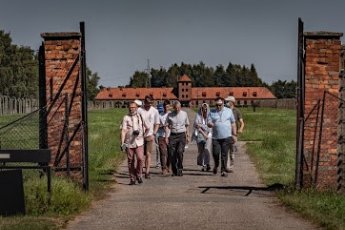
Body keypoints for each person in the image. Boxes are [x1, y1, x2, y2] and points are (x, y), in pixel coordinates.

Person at [207, 97, 237, 177]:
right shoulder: (211, 112)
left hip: (227, 137)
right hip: (216, 137)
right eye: (217, 105)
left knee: (224, 154)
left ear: (223, 103)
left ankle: (223, 170)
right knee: (216, 153)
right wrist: (210, 124)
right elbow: (208, 121)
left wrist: (234, 135)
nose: (218, 107)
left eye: (220, 105)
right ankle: (216, 165)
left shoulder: (229, 111)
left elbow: (233, 123)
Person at [120, 102, 147, 185]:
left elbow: (146, 127)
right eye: (130, 107)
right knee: (130, 161)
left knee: (140, 159)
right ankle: (132, 178)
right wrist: (122, 142)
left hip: (139, 142)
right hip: (129, 142)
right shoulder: (126, 117)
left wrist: (143, 134)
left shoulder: (141, 116)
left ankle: (139, 175)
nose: (132, 109)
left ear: (137, 108)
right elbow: (123, 130)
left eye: (133, 107)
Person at [165, 100, 190, 176]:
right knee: (172, 154)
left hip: (181, 135)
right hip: (172, 135)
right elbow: (167, 125)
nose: (177, 110)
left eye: (178, 108)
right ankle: (174, 170)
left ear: (180, 107)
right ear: (173, 108)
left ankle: (180, 168)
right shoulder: (170, 115)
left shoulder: (184, 114)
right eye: (175, 108)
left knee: (179, 152)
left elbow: (187, 125)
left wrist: (188, 135)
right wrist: (166, 136)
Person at [138, 95, 160, 179]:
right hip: (140, 136)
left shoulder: (155, 111)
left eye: (150, 103)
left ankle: (147, 172)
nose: (149, 105)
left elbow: (157, 123)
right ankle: (140, 171)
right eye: (147, 103)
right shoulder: (139, 110)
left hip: (149, 136)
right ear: (144, 102)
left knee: (148, 154)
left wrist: (154, 133)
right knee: (140, 155)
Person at [224, 96, 245, 169]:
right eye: (225, 101)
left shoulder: (237, 111)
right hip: (225, 133)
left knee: (231, 150)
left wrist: (241, 129)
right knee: (225, 150)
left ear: (232, 102)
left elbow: (242, 122)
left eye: (227, 101)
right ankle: (226, 166)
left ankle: (231, 163)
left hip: (233, 133)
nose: (226, 103)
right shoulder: (224, 110)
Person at [192, 103, 211, 171]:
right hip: (200, 134)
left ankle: (207, 163)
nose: (204, 110)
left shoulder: (210, 116)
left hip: (208, 135)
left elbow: (210, 127)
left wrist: (203, 126)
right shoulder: (198, 115)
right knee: (201, 151)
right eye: (203, 109)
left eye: (206, 109)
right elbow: (197, 126)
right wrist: (204, 131)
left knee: (207, 149)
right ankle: (203, 165)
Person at [157, 100, 171, 176]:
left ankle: (168, 166)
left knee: (170, 153)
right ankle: (163, 168)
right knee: (162, 152)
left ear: (170, 107)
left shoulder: (172, 115)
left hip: (170, 135)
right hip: (161, 135)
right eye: (165, 107)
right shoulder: (160, 115)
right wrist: (161, 126)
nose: (166, 108)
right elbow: (156, 125)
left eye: (167, 107)